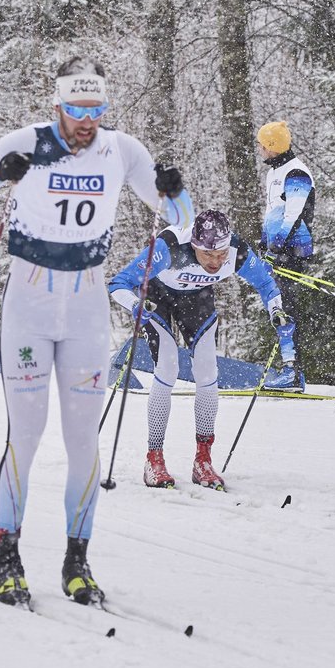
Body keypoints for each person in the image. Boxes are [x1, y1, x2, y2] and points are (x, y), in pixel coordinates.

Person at [0, 56, 193, 608]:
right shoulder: (26, 141)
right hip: (29, 304)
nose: (87, 121)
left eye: (97, 110)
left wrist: (176, 190)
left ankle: (76, 562)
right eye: (78, 110)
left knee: (84, 440)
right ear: (56, 105)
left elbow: (179, 214)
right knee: (25, 436)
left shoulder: (122, 150)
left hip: (85, 306)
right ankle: (7, 556)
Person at [108, 209, 294, 491]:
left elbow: (267, 284)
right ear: (194, 245)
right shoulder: (169, 247)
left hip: (197, 300)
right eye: (209, 255)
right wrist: (135, 306)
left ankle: (203, 459)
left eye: (221, 255)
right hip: (157, 298)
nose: (217, 262)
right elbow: (118, 283)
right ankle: (154, 458)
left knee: (208, 372)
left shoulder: (236, 251)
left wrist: (277, 311)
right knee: (168, 368)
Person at [257, 120, 316, 392]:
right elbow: (274, 212)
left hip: (292, 251)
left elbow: (293, 215)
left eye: (262, 144)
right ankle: (290, 370)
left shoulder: (296, 173)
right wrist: (264, 241)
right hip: (278, 250)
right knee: (277, 307)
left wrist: (276, 247)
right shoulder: (275, 173)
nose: (259, 149)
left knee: (285, 308)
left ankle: (293, 373)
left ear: (273, 146)